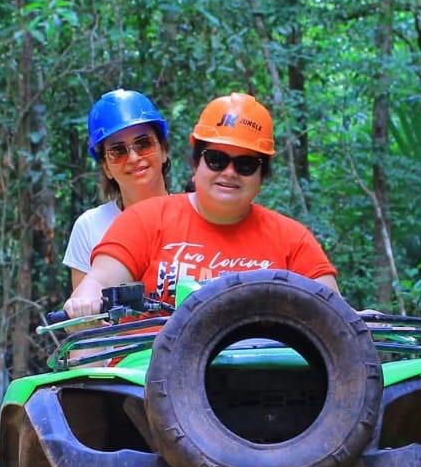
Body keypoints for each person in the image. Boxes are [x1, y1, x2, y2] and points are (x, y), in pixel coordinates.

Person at [62, 92, 337, 318]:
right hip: (155, 374)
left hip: (266, 373)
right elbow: (98, 283)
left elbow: (336, 313)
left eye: (245, 164)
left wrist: (361, 322)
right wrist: (84, 303)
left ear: (262, 175)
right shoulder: (142, 221)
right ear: (196, 163)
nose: (229, 172)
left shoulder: (292, 238)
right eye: (217, 159)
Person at [64, 89, 172, 291]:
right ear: (106, 167)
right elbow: (83, 320)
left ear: (163, 150)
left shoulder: (191, 215)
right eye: (118, 151)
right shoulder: (90, 226)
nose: (133, 158)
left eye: (143, 144)